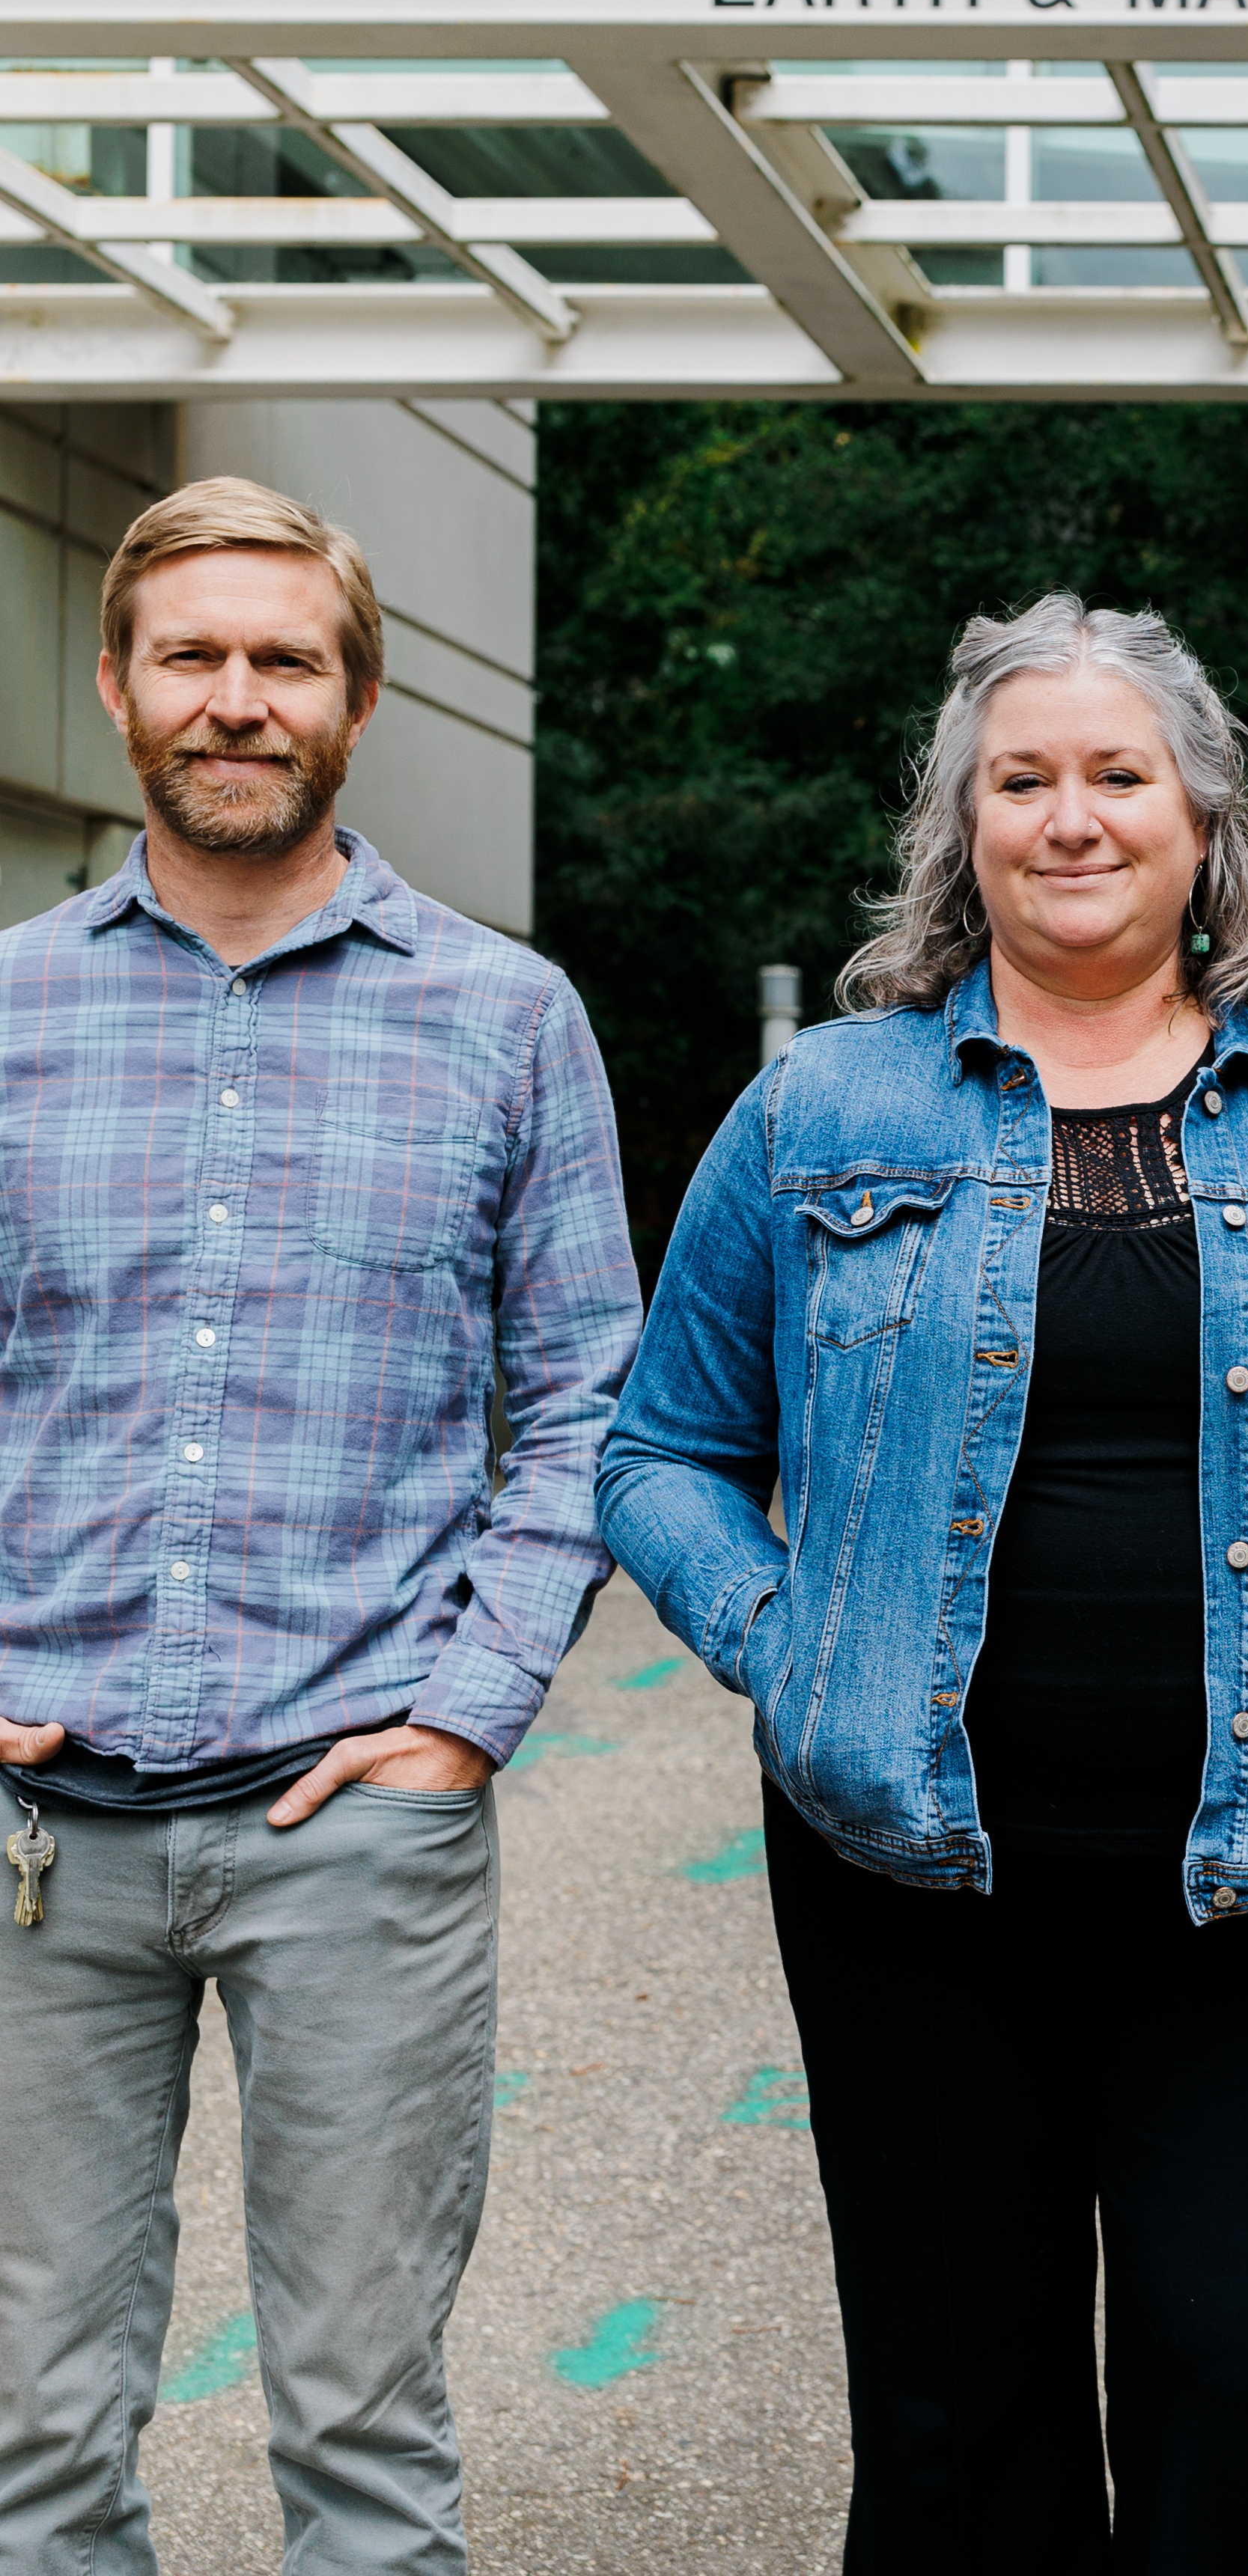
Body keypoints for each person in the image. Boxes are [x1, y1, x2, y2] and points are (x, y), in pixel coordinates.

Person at [597, 596, 1248, 2575]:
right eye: (1024, 781)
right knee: (952, 2413)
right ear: (960, 828)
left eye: (1118, 776)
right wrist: (785, 1640)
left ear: (1205, 822)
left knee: (1232, 2394)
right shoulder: (824, 1112)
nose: (1073, 818)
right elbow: (658, 1452)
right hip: (908, 1873)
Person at [0, 478, 639, 2576]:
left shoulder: (506, 1018)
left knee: (362, 2424)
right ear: (117, 692)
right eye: (192, 655)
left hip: (355, 1817)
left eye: (285, 660)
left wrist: (468, 1715)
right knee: (31, 2429)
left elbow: (589, 1403)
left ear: (354, 702)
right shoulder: (7, 1012)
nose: (236, 700)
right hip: (32, 1834)